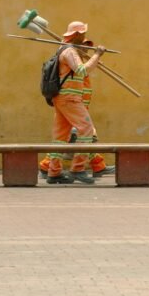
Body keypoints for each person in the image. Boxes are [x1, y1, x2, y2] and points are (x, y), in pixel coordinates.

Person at [44, 22, 112, 185]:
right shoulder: (69, 51)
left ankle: (53, 172)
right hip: (70, 99)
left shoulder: (66, 49)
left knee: (60, 137)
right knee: (87, 131)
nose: (84, 36)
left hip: (63, 98)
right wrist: (97, 55)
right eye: (83, 33)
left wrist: (93, 58)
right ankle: (77, 169)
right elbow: (81, 71)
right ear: (77, 34)